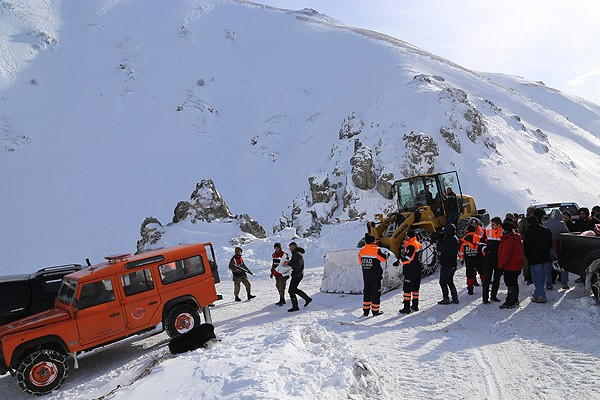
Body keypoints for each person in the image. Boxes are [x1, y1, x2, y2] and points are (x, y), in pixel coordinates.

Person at [523, 215, 553, 303]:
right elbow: (550, 244)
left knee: (537, 279)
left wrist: (528, 256)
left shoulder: (529, 232)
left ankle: (541, 296)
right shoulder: (546, 230)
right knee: (542, 278)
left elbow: (526, 247)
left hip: (535, 259)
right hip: (546, 257)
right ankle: (537, 293)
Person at [358, 233, 388, 316]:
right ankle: (375, 311)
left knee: (367, 292)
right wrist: (386, 255)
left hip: (366, 275)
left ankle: (366, 311)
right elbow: (383, 258)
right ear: (372, 242)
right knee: (375, 292)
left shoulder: (361, 251)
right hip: (375, 275)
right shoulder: (376, 250)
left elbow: (361, 262)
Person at [394, 230, 423, 314]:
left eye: (407, 236)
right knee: (415, 289)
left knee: (407, 289)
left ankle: (406, 308)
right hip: (418, 269)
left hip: (411, 270)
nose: (406, 237)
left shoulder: (411, 245)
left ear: (410, 237)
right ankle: (415, 305)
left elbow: (408, 259)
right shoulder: (418, 243)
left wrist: (398, 262)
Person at [497, 222, 524, 309]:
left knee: (510, 283)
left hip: (510, 266)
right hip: (517, 264)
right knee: (514, 283)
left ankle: (510, 302)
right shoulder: (516, 238)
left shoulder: (508, 240)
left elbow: (505, 254)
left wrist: (500, 266)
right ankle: (515, 300)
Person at [543, 210, 570, 290]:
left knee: (548, 267)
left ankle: (548, 284)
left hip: (548, 249)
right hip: (558, 249)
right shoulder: (561, 223)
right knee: (563, 266)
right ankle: (564, 284)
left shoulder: (545, 223)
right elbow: (567, 234)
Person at [285, 242, 312, 312]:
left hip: (298, 274)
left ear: (295, 247)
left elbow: (297, 265)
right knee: (293, 289)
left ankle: (295, 306)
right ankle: (307, 299)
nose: (290, 249)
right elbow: (295, 263)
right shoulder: (296, 253)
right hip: (297, 274)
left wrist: (289, 263)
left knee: (291, 290)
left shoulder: (297, 254)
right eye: (290, 248)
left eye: (292, 247)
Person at [482, 216, 503, 304]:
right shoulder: (487, 232)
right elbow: (481, 242)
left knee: (497, 279)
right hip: (489, 259)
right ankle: (485, 298)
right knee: (486, 279)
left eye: (493, 224)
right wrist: (485, 249)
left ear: (498, 225)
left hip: (498, 259)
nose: (491, 226)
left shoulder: (503, 233)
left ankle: (493, 296)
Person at [438, 223, 460, 305]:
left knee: (443, 282)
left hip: (446, 263)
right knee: (450, 281)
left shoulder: (449, 240)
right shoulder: (455, 239)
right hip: (453, 263)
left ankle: (446, 298)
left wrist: (440, 242)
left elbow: (442, 250)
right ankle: (455, 297)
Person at [459, 224, 484, 295]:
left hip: (469, 260)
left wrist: (461, 259)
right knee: (482, 273)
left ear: (467, 231)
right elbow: (483, 249)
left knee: (469, 275)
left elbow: (461, 251)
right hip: (479, 259)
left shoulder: (463, 240)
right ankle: (485, 288)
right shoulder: (479, 238)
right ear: (475, 230)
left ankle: (470, 290)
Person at [519, 207, 536, 285]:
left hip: (535, 243)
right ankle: (527, 276)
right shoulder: (524, 221)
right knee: (526, 261)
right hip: (526, 243)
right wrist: (526, 238)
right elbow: (520, 233)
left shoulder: (536, 220)